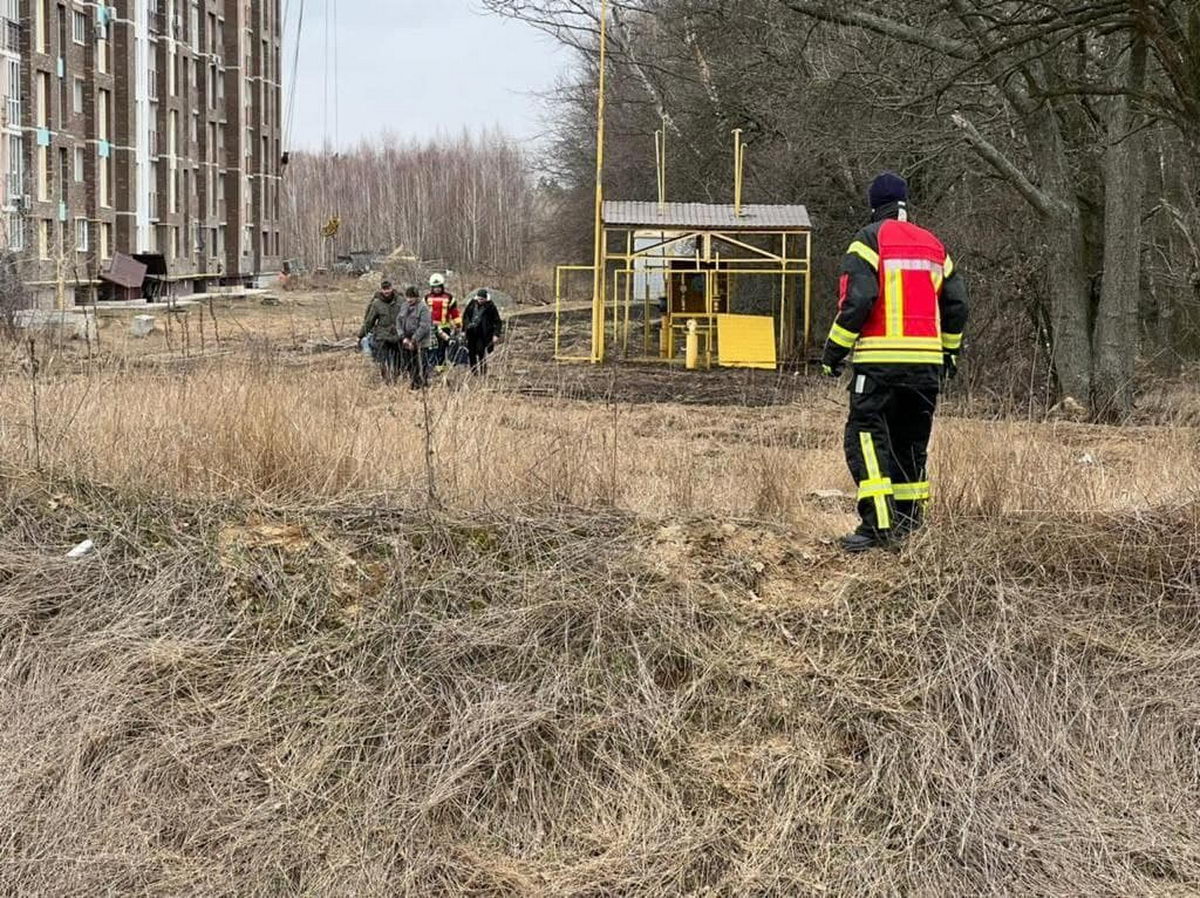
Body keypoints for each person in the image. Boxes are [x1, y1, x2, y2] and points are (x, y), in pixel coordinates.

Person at [821, 171, 969, 553]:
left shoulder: (869, 240)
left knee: (867, 440)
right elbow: (957, 305)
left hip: (879, 366)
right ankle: (908, 527)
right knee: (910, 445)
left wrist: (834, 352)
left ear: (874, 205)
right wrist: (949, 352)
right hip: (926, 370)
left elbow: (857, 301)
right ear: (906, 204)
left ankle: (877, 528)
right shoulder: (934, 245)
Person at [357, 279, 403, 384]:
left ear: (392, 288)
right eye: (384, 289)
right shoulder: (376, 303)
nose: (386, 292)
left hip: (397, 334)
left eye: (388, 289)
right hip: (382, 335)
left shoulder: (401, 301)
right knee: (382, 360)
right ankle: (385, 379)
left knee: (398, 360)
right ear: (381, 290)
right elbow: (369, 321)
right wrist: (361, 336)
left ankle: (397, 377)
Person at [462, 288, 503, 375]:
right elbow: (465, 316)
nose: (480, 301)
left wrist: (496, 334)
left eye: (482, 299)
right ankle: (474, 372)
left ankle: (483, 372)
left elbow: (497, 321)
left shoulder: (491, 306)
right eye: (479, 299)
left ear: (485, 299)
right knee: (471, 353)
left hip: (483, 333)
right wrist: (464, 329)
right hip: (471, 332)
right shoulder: (472, 304)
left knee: (481, 352)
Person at [426, 273, 461, 370]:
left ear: (442, 286)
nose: (437, 289)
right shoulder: (426, 298)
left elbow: (454, 312)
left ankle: (441, 370)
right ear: (431, 287)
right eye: (435, 287)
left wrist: (458, 324)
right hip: (431, 329)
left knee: (442, 350)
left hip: (444, 327)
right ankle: (431, 368)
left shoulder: (449, 298)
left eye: (439, 287)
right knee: (432, 349)